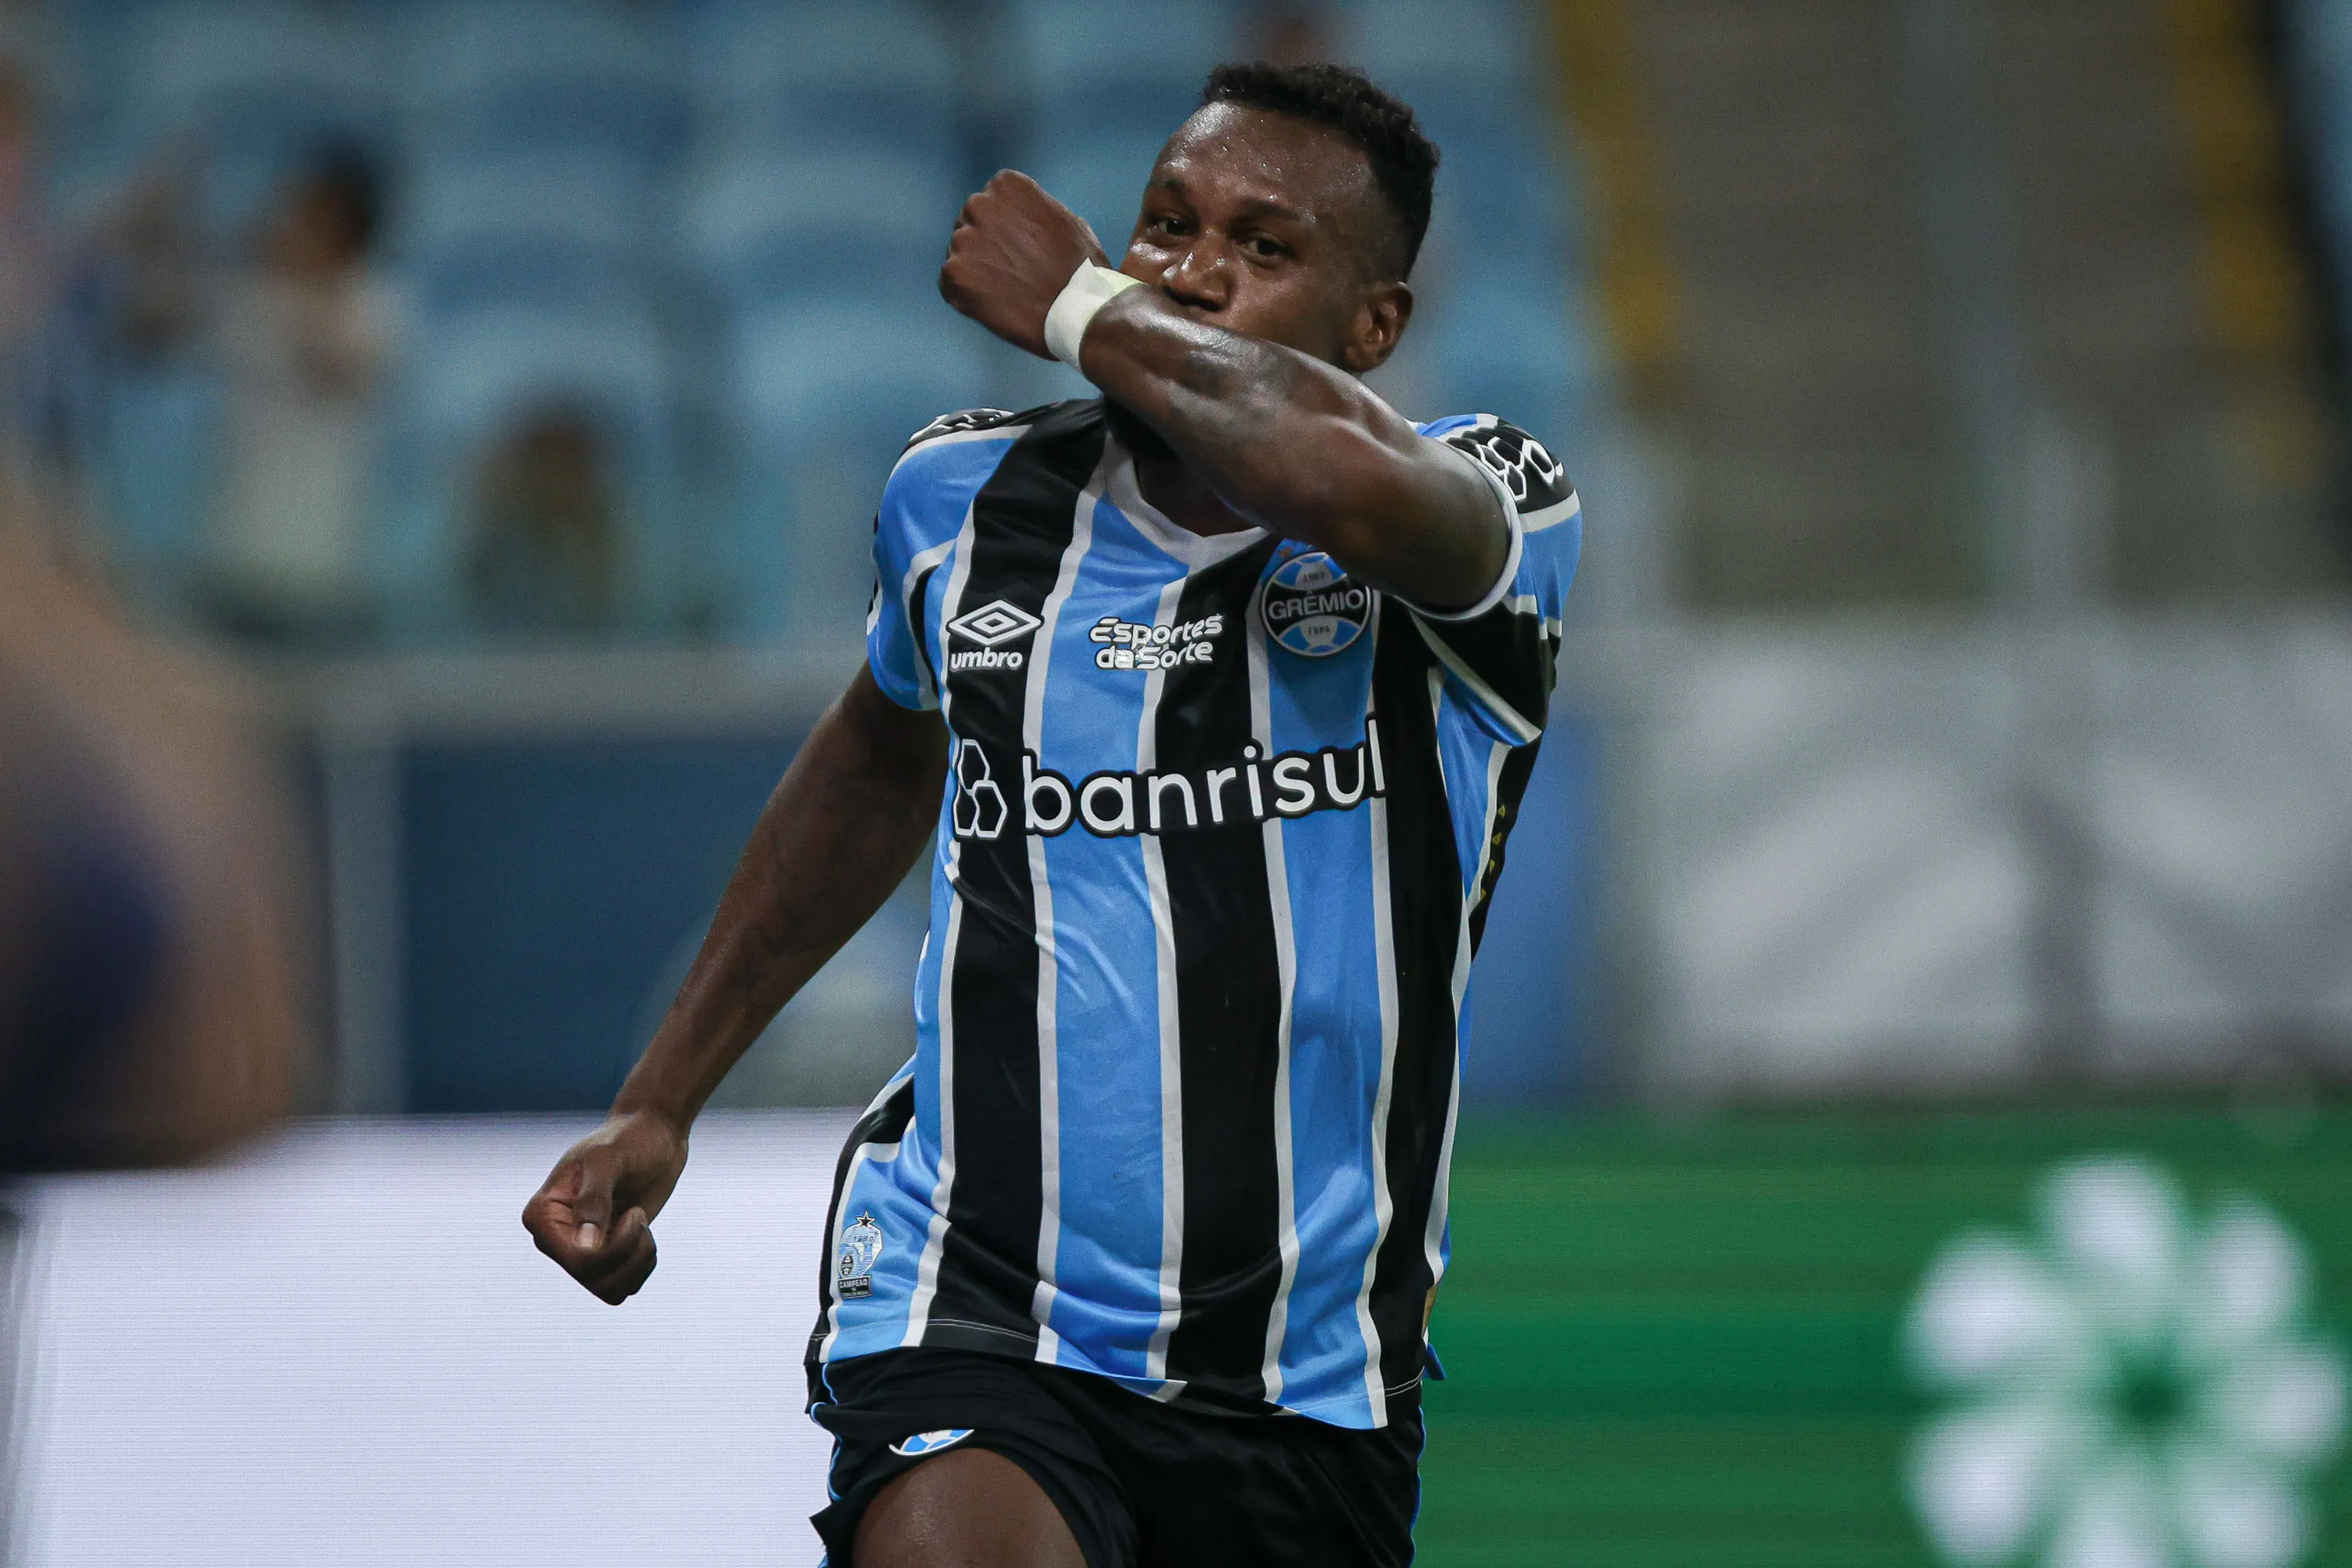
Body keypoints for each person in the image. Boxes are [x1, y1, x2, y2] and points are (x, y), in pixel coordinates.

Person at [523, 62, 1581, 1567]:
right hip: (978, 1308)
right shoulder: (964, 500)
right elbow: (879, 756)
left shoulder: (1490, 511)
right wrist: (662, 1094)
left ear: (1374, 327)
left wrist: (1085, 302)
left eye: (1264, 249)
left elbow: (1335, 470)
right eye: (1165, 225)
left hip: (1306, 1379)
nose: (1192, 271)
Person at [201, 146, 397, 644]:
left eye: (310, 214)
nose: (290, 224)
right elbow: (153, 332)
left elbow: (339, 370)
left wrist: (299, 283)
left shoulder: (376, 304)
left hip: (322, 574)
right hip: (235, 563)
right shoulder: (251, 297)